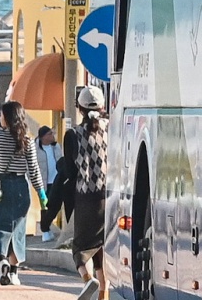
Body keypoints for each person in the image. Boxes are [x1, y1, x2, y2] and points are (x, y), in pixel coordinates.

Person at [0, 99, 46, 287]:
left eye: (2, 115)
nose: (0, 117)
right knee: (17, 229)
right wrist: (41, 193)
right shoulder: (27, 139)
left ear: (7, 118)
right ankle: (14, 272)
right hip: (20, 186)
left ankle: (1, 259)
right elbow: (33, 169)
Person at [70, 87, 109, 300]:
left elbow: (69, 169)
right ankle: (104, 293)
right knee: (102, 247)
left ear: (80, 108)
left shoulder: (74, 134)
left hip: (86, 198)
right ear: (103, 106)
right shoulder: (111, 128)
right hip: (109, 197)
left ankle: (87, 281)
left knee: (80, 249)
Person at [37, 125, 66, 240]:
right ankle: (45, 230)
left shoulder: (56, 146)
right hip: (43, 182)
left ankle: (46, 227)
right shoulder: (36, 148)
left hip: (57, 180)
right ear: (43, 137)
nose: (52, 136)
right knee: (45, 206)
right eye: (49, 134)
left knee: (56, 206)